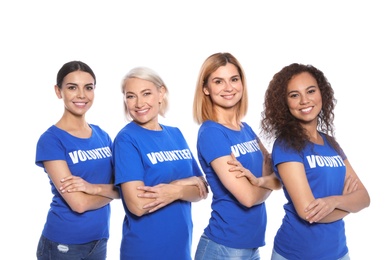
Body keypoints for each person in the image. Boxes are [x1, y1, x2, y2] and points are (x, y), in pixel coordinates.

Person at [259, 63, 370, 260]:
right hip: (296, 253)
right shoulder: (287, 145)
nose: (304, 100)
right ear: (284, 103)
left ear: (322, 93)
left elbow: (364, 198)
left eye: (311, 91)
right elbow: (307, 212)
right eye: (294, 95)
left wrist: (334, 201)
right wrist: (350, 205)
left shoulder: (330, 143)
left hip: (338, 252)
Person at [113, 66, 209, 260]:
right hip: (145, 251)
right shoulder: (126, 140)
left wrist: (177, 190)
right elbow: (138, 205)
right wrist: (181, 186)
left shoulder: (175, 134)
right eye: (131, 96)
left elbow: (203, 189)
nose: (139, 103)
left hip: (180, 249)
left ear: (161, 93)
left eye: (146, 93)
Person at [192, 52, 281, 260]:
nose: (229, 87)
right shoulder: (212, 133)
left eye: (234, 79)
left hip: (251, 248)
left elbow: (279, 175)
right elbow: (248, 198)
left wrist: (259, 182)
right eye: (218, 81)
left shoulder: (246, 129)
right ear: (206, 88)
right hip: (223, 248)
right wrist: (267, 182)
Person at [35, 61, 119, 260]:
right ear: (58, 91)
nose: (82, 95)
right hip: (63, 244)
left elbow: (122, 187)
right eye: (72, 87)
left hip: (99, 240)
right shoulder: (51, 140)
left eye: (88, 88)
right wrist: (114, 192)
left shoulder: (102, 135)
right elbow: (79, 204)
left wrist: (94, 189)